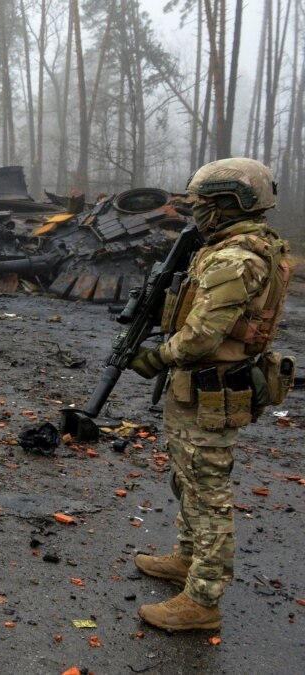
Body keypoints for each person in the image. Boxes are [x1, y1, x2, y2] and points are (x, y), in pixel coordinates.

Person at [127, 157, 293, 631]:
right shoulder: (233, 249)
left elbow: (201, 335)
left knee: (208, 492)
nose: (195, 213)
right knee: (189, 480)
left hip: (212, 387)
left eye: (202, 204)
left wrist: (156, 358)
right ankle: (187, 558)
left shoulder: (234, 258)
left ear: (227, 205)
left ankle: (203, 600)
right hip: (202, 386)